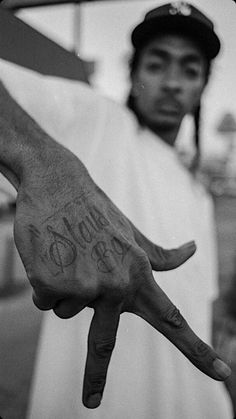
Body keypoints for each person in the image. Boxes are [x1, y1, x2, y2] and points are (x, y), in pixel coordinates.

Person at [0, 2, 232, 418]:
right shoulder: (94, 118)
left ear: (201, 88)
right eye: (157, 64)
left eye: (190, 70)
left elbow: (207, 306)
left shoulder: (199, 191)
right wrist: (38, 157)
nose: (173, 83)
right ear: (134, 74)